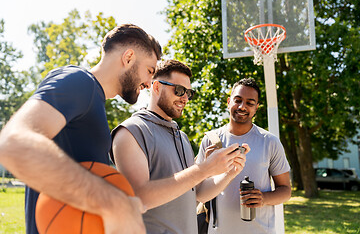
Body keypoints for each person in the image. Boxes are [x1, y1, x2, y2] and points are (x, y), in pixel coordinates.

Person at [0, 24, 162, 234]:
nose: (150, 83)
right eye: (149, 71)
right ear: (128, 57)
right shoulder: (79, 81)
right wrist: (115, 203)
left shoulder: (95, 101)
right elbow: (14, 143)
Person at [110, 59, 249, 234]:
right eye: (179, 90)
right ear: (156, 87)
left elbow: (199, 193)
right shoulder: (130, 131)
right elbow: (140, 197)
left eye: (188, 93)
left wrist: (230, 172)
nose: (185, 98)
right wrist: (203, 170)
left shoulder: (181, 137)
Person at [196, 78, 291, 234]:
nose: (242, 107)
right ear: (228, 102)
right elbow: (198, 192)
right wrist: (209, 170)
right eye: (238, 100)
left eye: (250, 103)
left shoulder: (269, 141)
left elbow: (286, 190)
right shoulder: (211, 140)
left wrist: (264, 198)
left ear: (256, 108)